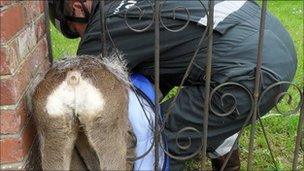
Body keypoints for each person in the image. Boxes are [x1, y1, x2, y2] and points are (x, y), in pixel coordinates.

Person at [48, 0, 297, 170]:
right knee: (200, 113)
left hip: (251, 72)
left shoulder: (104, 24)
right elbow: (162, 67)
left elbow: (76, 90)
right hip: (274, 45)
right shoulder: (136, 7)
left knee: (160, 140)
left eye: (73, 30)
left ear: (77, 7)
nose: (81, 36)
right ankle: (227, 161)